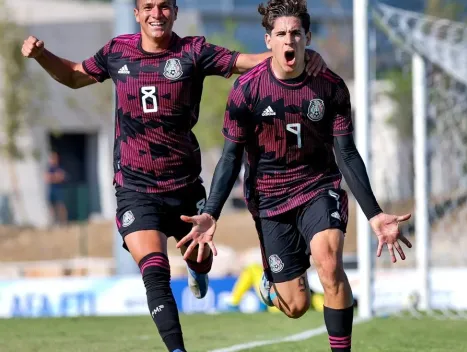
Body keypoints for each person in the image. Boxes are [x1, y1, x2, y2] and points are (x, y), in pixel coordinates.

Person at [21, 1, 327, 351]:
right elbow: (75, 75)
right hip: (135, 187)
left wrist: (300, 54)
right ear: (136, 13)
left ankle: (198, 269)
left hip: (184, 187)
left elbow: (249, 62)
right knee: (154, 270)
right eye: (148, 6)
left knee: (201, 259)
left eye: (164, 6)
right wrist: (42, 56)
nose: (156, 13)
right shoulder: (116, 51)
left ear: (176, 11)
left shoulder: (193, 52)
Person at [176, 1, 413, 351]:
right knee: (297, 307)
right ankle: (272, 283)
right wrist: (212, 211)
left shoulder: (330, 87)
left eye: (296, 33)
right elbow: (230, 157)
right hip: (270, 199)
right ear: (269, 40)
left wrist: (375, 214)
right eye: (282, 34)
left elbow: (345, 153)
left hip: (319, 186)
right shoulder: (247, 90)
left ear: (307, 38)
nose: (289, 41)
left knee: (329, 264)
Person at [45, 151, 68, 225]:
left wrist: (53, 178)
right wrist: (55, 177)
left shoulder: (59, 168)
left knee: (61, 206)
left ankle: (63, 222)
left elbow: (61, 177)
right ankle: (54, 222)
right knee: (52, 207)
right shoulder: (49, 168)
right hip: (52, 190)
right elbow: (47, 178)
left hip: (58, 189)